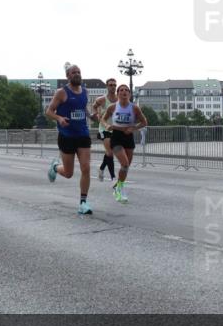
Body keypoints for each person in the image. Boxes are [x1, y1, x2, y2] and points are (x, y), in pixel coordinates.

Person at [45, 64, 94, 215]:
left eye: (79, 72)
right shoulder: (62, 92)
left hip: (83, 134)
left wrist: (91, 115)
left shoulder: (84, 91)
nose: (77, 74)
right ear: (68, 76)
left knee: (86, 168)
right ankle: (55, 168)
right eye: (74, 72)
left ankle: (83, 202)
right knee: (68, 173)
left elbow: (83, 108)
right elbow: (48, 111)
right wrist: (59, 118)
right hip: (66, 136)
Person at [103, 84, 147, 204]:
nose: (124, 92)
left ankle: (118, 186)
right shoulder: (112, 107)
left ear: (129, 94)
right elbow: (103, 119)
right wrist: (107, 125)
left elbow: (144, 122)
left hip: (128, 137)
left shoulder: (134, 108)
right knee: (125, 163)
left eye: (126, 90)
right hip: (116, 136)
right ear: (118, 94)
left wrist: (133, 128)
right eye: (121, 90)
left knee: (126, 167)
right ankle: (120, 190)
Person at [91, 78, 117, 183]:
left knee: (110, 152)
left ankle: (101, 168)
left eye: (114, 85)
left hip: (114, 128)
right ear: (107, 86)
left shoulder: (118, 99)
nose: (113, 87)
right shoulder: (102, 99)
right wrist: (97, 115)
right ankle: (113, 178)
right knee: (110, 152)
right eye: (110, 85)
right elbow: (94, 106)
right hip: (103, 128)